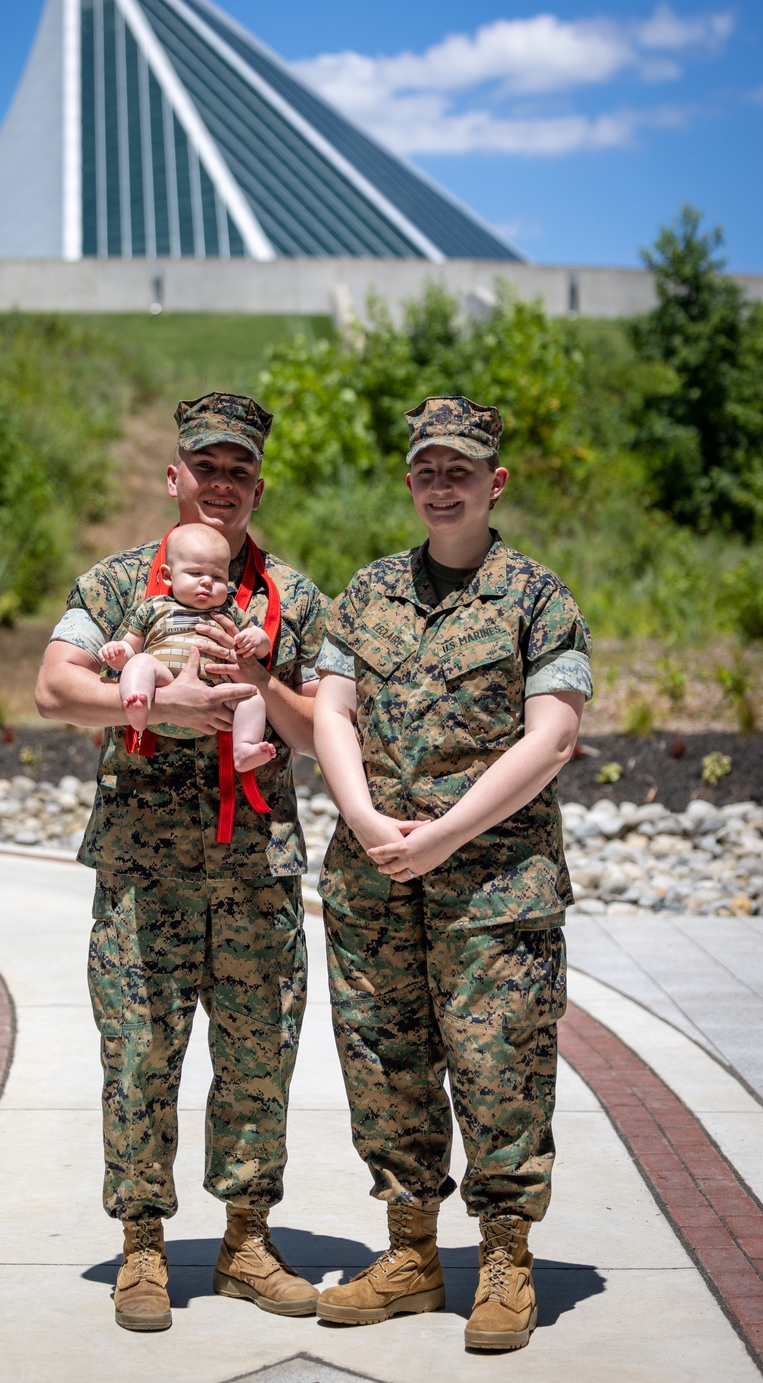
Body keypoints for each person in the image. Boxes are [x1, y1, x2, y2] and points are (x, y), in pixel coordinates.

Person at [34, 393, 328, 1333]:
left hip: (254, 867)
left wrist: (258, 682)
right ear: (176, 476)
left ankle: (245, 1241)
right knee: (139, 1057)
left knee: (256, 1060)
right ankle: (143, 1247)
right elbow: (55, 687)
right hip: (143, 869)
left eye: (240, 471)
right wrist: (158, 709)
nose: (223, 485)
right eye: (207, 467)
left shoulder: (291, 597)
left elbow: (322, 728)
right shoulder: (119, 584)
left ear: (258, 486)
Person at [311, 395, 592, 1352]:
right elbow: (332, 710)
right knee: (384, 1064)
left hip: (494, 888)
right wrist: (361, 814)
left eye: (459, 471)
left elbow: (552, 736)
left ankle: (506, 1259)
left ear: (494, 483)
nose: (442, 486)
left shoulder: (536, 596)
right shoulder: (370, 590)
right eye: (427, 470)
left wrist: (445, 833)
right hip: (374, 875)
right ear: (409, 481)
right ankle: (410, 1253)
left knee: (499, 1066)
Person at [97, 522, 276, 773]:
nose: (206, 582)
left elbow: (261, 646)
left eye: (217, 577)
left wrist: (257, 640)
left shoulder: (229, 610)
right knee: (140, 663)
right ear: (168, 576)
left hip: (215, 699)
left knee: (251, 696)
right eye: (195, 574)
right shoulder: (154, 607)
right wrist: (118, 654)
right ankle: (137, 702)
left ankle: (245, 748)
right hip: (163, 690)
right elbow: (130, 649)